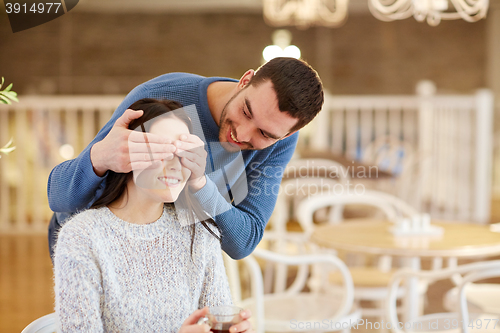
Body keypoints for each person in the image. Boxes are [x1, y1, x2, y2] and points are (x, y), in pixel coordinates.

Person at [47, 57, 324, 260]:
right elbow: (59, 199)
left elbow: (243, 241)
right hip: (90, 248)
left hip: (166, 256)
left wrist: (201, 185)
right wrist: (99, 158)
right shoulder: (162, 98)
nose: (241, 133)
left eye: (264, 133)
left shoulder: (277, 144)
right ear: (245, 81)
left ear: (288, 135)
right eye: (246, 111)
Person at [54, 98, 253, 332]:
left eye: (186, 153)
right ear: (125, 154)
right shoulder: (82, 238)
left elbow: (216, 320)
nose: (176, 164)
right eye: (162, 150)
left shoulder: (200, 234)